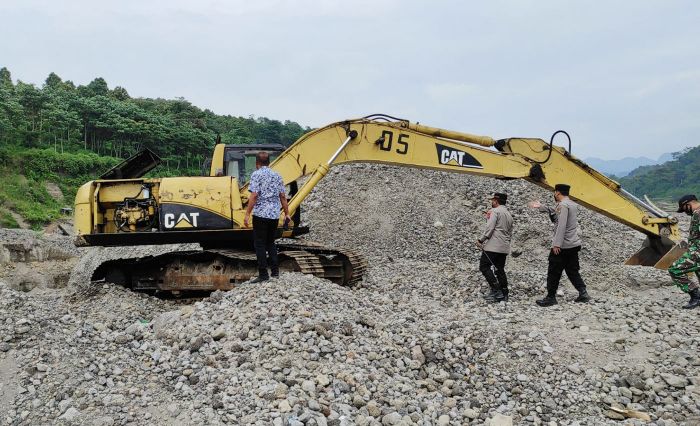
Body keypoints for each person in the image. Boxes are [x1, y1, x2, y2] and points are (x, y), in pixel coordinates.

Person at [529, 184, 590, 307]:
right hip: (573, 243)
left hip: (563, 245)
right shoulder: (571, 204)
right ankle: (583, 292)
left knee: (553, 271)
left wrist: (556, 244)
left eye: (554, 193)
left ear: (557, 193)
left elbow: (561, 224)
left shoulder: (562, 205)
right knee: (572, 270)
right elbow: (557, 213)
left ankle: (550, 297)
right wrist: (542, 207)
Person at [243, 152, 290, 283]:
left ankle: (263, 274)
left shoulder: (256, 175)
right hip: (274, 215)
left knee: (259, 244)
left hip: (260, 215)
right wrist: (287, 214)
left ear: (257, 163)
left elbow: (254, 196)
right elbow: (282, 197)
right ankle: (275, 272)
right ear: (269, 162)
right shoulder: (277, 175)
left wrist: (247, 214)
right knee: (270, 242)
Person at [477, 192, 514, 303]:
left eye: (492, 200)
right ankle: (504, 293)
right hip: (504, 247)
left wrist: (481, 240)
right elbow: (509, 232)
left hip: (493, 246)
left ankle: (496, 290)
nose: (491, 202)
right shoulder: (508, 214)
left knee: (484, 266)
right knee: (500, 269)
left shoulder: (494, 211)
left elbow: (490, 227)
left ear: (496, 201)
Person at [668, 194, 700, 309]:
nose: (686, 213)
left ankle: (696, 297)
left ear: (688, 204)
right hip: (695, 249)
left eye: (684, 209)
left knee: (674, 269)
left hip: (698, 251)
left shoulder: (698, 213)